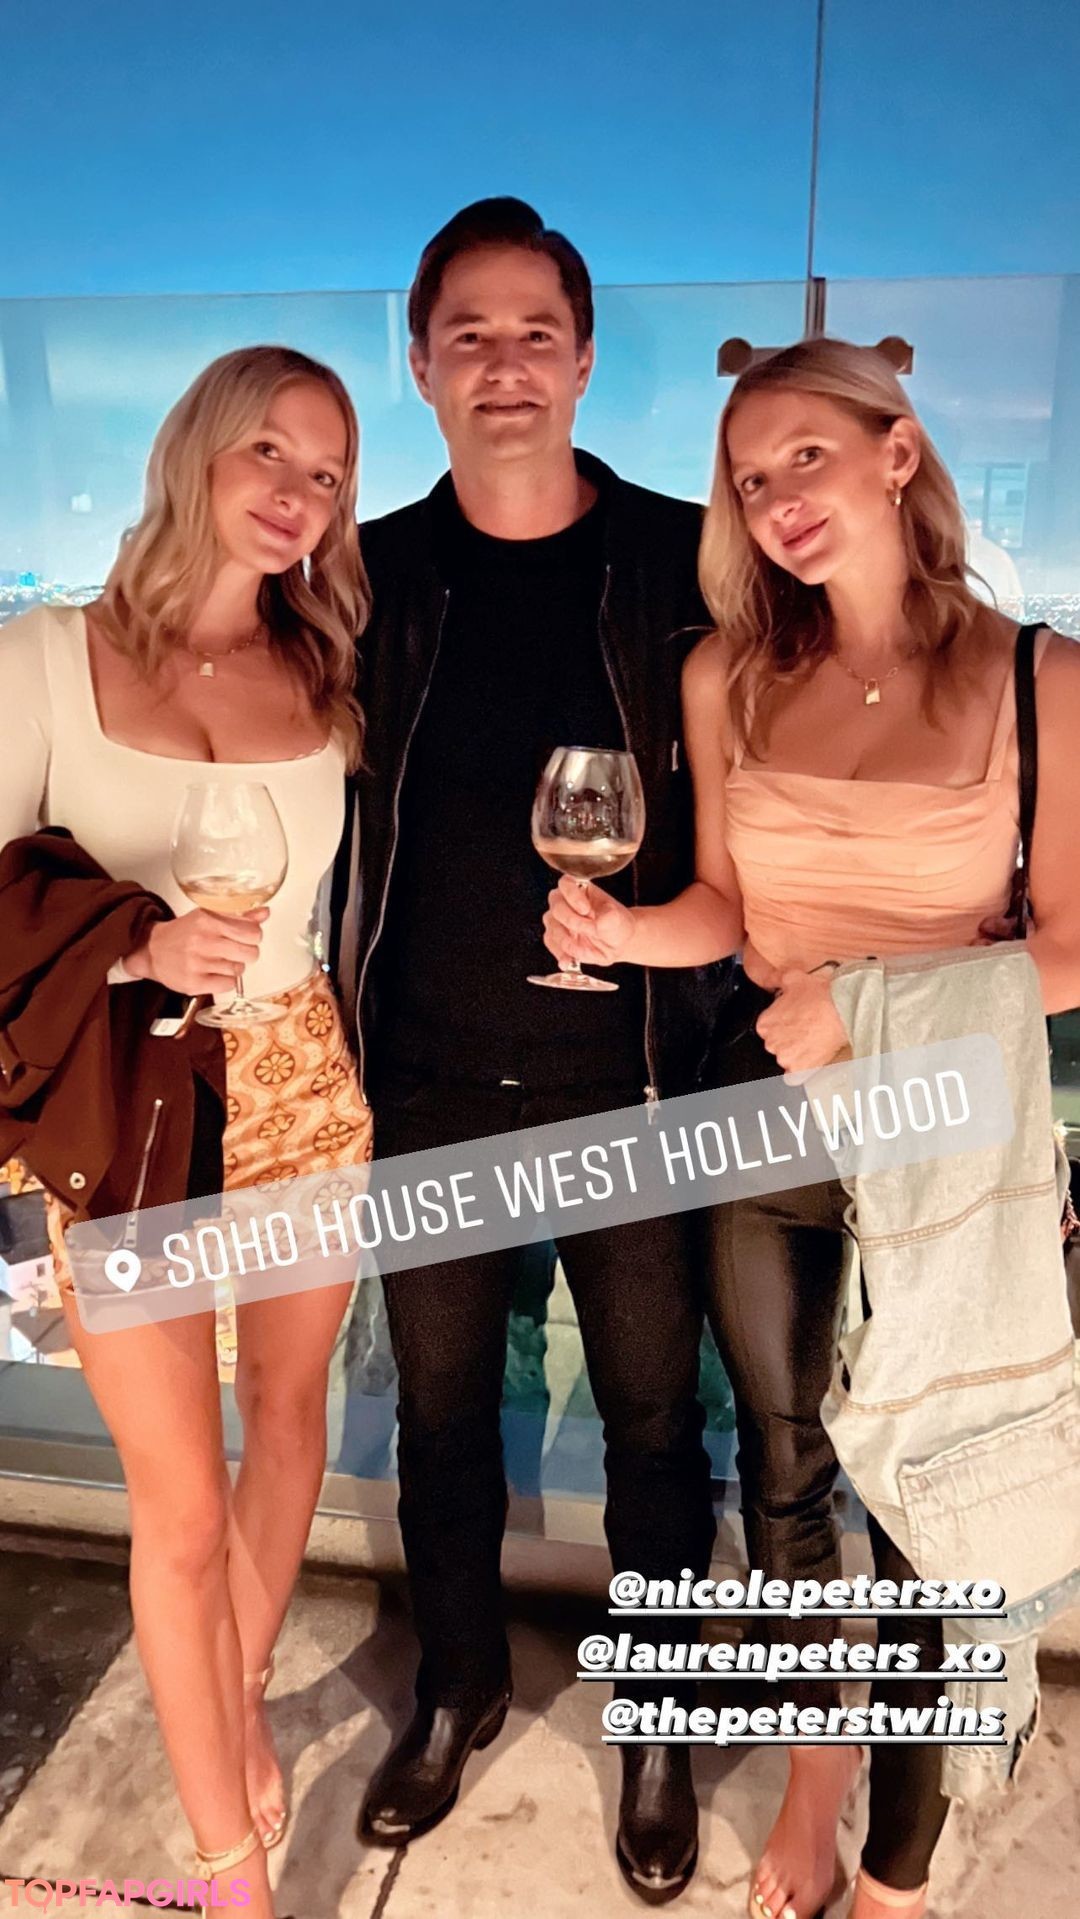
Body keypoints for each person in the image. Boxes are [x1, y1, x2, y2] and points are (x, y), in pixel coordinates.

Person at [542, 336, 1080, 1919]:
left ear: (898, 455)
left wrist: (862, 1001)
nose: (775, 496)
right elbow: (723, 904)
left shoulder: (1042, 679)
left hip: (947, 1134)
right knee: (782, 1481)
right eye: (749, 475)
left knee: (928, 1506)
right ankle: (814, 1776)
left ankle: (899, 1873)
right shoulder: (726, 675)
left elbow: (1072, 946)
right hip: (769, 1124)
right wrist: (625, 931)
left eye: (807, 457)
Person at [334, 197, 729, 1900]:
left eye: (535, 333)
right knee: (441, 1416)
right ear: (422, 364)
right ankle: (458, 1686)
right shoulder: (364, 576)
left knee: (654, 1423)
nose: (505, 363)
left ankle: (662, 1718)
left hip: (631, 1081)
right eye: (469, 335)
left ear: (582, 361)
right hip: (428, 1082)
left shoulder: (686, 560)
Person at [0, 346, 373, 1919]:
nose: (296, 494)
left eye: (328, 475)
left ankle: (236, 1699)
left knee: (290, 1423)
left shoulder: (326, 671)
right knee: (180, 1499)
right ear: (197, 451)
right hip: (140, 1095)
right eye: (269, 452)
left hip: (301, 1081)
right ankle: (231, 1876)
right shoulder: (46, 656)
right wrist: (136, 946)